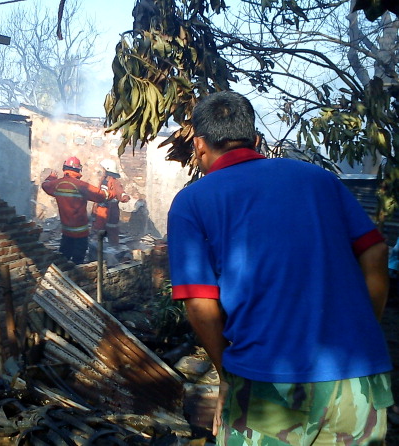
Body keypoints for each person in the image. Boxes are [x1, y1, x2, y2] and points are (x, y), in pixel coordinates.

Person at [167, 91, 394, 445]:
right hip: (357, 377)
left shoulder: (192, 202)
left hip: (267, 384)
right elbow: (376, 252)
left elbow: (199, 303)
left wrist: (227, 374)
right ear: (257, 141)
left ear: (198, 146)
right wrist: (366, 326)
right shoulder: (320, 180)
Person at [42, 156, 113, 264]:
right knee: (78, 261)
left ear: (64, 168)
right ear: (78, 170)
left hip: (66, 231)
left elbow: (45, 185)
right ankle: (77, 279)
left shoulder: (57, 184)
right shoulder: (81, 186)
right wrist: (112, 192)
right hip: (81, 233)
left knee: (63, 258)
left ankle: (63, 276)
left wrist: (51, 177)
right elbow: (101, 196)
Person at [92, 159, 131, 246]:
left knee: (112, 229)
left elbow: (120, 192)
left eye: (104, 169)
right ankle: (99, 248)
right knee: (99, 229)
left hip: (111, 210)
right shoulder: (103, 180)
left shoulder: (115, 182)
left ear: (108, 169)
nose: (102, 171)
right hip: (101, 209)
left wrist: (124, 197)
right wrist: (95, 206)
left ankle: (113, 248)